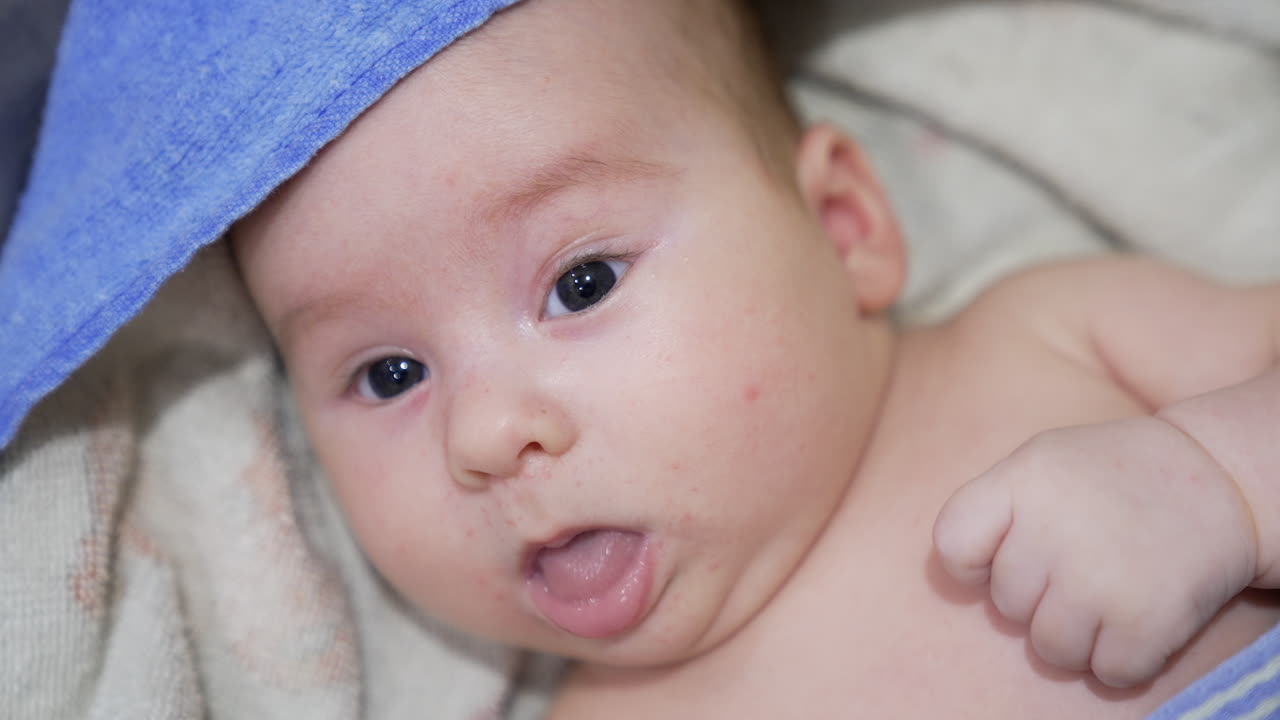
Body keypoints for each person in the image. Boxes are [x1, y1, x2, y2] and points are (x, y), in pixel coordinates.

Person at [229, 0, 1280, 716]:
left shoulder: (1052, 336)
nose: (485, 434)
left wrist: (1225, 481)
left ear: (841, 226)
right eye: (390, 374)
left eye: (581, 283)